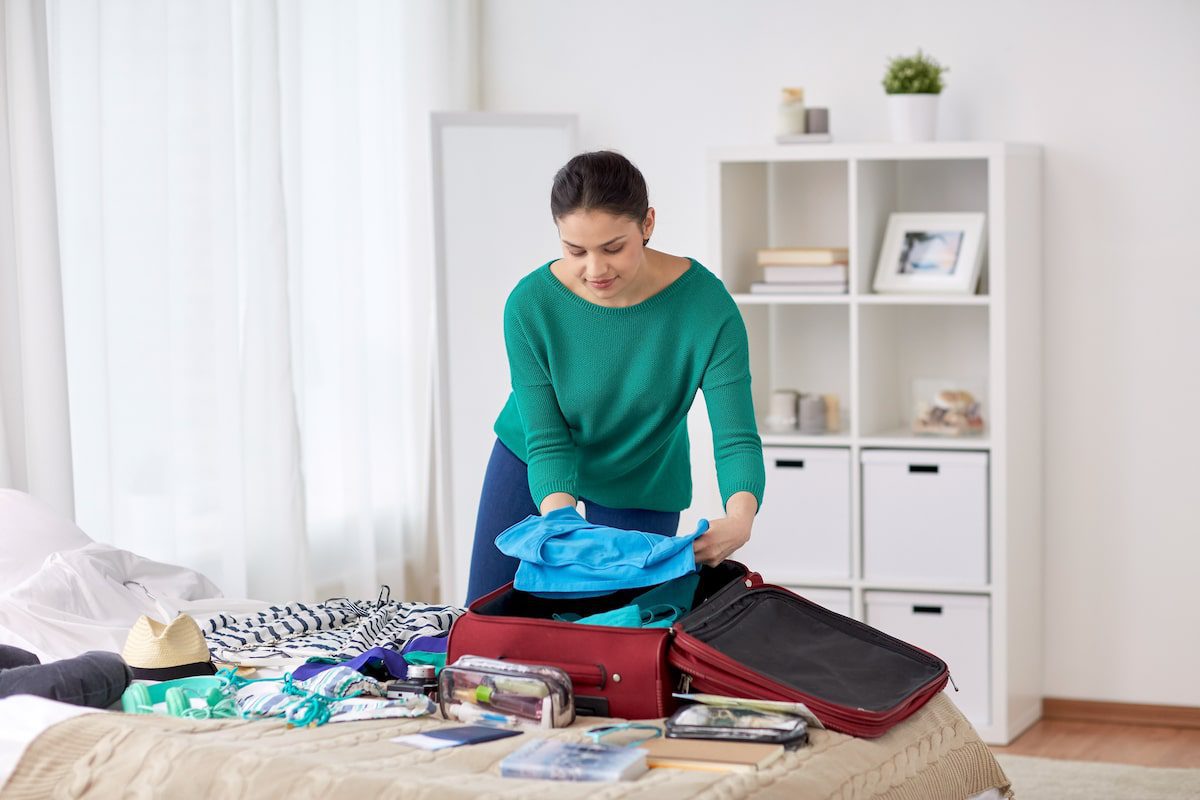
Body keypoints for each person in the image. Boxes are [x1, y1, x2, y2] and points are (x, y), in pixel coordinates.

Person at [464, 150, 765, 604]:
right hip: (532, 456)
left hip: (641, 471)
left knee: (615, 634)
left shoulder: (706, 308)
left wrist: (739, 518)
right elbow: (547, 439)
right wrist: (562, 522)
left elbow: (736, 436)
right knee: (490, 618)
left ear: (647, 224)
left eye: (613, 248)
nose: (595, 270)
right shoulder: (530, 305)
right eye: (575, 250)